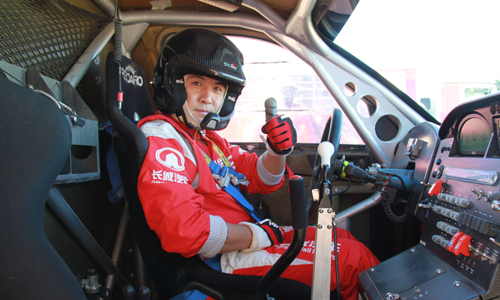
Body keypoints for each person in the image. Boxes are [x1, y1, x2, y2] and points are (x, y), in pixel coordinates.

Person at [137, 28, 379, 300]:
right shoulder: (162, 139)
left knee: (343, 240)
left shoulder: (209, 140)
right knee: (350, 260)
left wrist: (276, 152)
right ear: (175, 84)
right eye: (197, 83)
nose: (209, 97)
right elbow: (184, 232)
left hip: (244, 242)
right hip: (221, 261)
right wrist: (258, 236)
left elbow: (262, 179)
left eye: (217, 88)